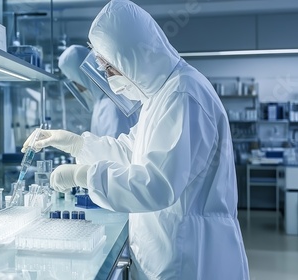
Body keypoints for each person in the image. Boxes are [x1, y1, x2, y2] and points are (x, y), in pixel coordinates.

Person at [22, 1, 249, 279]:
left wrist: (85, 176)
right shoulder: (161, 96)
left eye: (110, 69)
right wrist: (77, 144)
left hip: (189, 256)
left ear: (131, 57)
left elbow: (156, 185)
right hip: (167, 252)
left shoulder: (183, 95)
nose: (110, 78)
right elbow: (133, 152)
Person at [58, 45, 138, 137]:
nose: (78, 88)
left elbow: (115, 149)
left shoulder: (111, 105)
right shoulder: (102, 102)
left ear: (83, 76)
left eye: (76, 82)